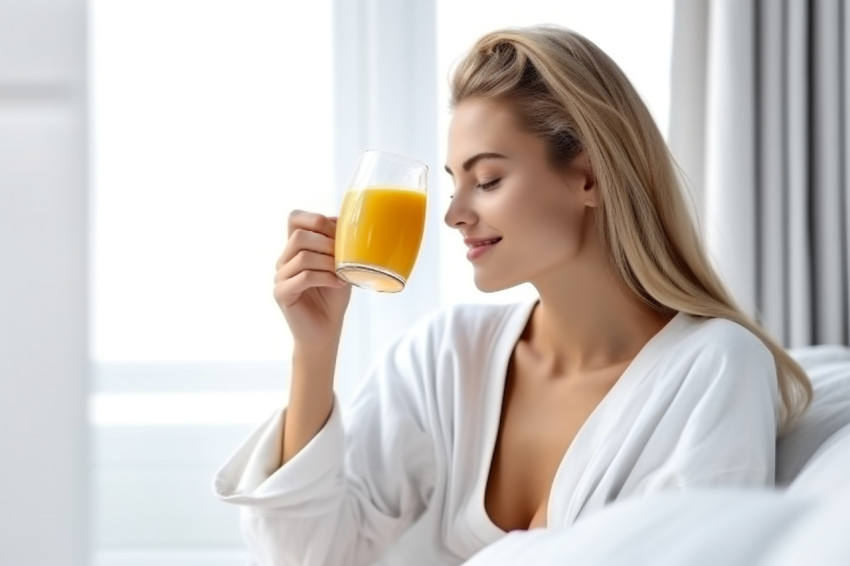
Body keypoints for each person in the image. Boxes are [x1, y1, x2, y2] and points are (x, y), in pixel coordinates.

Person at [214, 24, 812, 566]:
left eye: (488, 180)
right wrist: (314, 353)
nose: (451, 215)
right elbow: (310, 556)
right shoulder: (446, 359)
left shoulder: (715, 368)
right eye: (453, 184)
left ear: (588, 176)